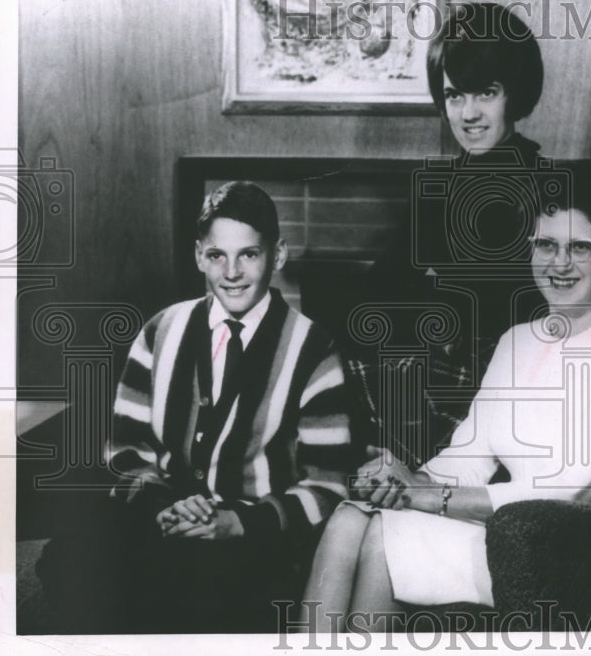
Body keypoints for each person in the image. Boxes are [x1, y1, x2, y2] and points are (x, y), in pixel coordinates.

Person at [305, 185, 591, 631]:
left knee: (386, 533)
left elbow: (561, 495)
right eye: (546, 244)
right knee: (349, 517)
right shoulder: (517, 341)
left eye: (579, 247)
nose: (559, 263)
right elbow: (470, 455)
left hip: (584, 550)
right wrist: (404, 478)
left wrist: (425, 497)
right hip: (511, 531)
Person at [36, 181, 361, 633]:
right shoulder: (160, 331)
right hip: (161, 519)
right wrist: (162, 507)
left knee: (199, 592)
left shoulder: (315, 351)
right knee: (66, 561)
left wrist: (237, 522)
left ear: (278, 255)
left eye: (249, 254)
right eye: (217, 255)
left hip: (255, 538)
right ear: (198, 256)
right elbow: (125, 454)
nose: (231, 272)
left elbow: (328, 487)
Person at [346, 2, 554, 469]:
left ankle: (404, 467)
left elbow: (519, 321)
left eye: (486, 93)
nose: (468, 114)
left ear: (514, 95)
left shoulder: (545, 190)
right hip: (425, 384)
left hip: (502, 389)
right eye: (455, 96)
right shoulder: (435, 191)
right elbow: (372, 301)